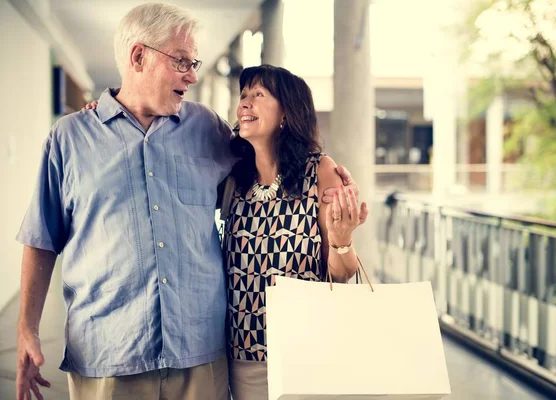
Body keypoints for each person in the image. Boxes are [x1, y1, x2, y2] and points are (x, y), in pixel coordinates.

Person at [16, 3, 359, 400]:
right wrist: (27, 328)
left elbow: (269, 159)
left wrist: (325, 172)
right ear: (138, 56)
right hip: (108, 354)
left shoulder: (207, 128)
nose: (193, 75)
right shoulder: (71, 138)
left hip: (200, 355)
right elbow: (41, 238)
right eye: (182, 61)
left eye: (194, 62)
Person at [223, 65, 368, 400]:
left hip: (306, 352)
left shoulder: (319, 171)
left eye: (258, 95)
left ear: (286, 112)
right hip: (244, 354)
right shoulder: (234, 178)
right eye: (243, 95)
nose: (245, 103)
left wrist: (342, 239)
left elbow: (342, 273)